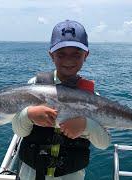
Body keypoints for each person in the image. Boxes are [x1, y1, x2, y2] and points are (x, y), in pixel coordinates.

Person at [12, 20, 110, 180]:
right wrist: (28, 114)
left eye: (76, 54)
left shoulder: (93, 98)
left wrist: (87, 125)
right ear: (51, 55)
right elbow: (18, 130)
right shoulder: (33, 87)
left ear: (86, 55)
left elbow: (104, 143)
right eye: (61, 54)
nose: (68, 60)